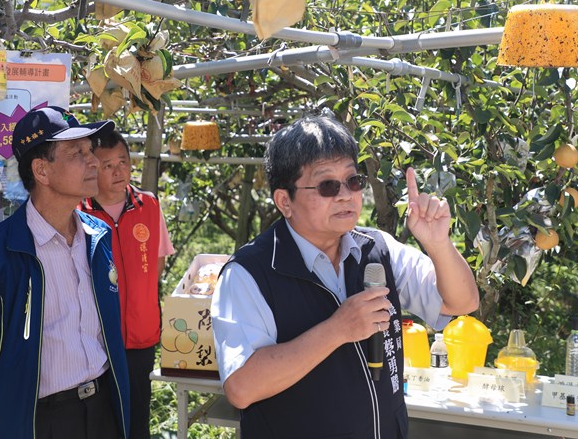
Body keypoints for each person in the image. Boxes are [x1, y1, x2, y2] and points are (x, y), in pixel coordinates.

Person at [211, 114, 480, 438]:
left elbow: (461, 302)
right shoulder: (248, 274)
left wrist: (438, 244)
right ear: (285, 201)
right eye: (327, 185)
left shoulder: (378, 250)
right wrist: (338, 329)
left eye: (353, 181)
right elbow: (241, 387)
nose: (345, 195)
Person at [0, 106, 130, 439]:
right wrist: (0, 412)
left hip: (103, 411)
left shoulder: (98, 237)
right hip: (37, 421)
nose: (94, 161)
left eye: (90, 150)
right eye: (77, 153)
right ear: (42, 170)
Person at [80, 130, 175, 439]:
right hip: (97, 337)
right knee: (100, 418)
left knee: (137, 417)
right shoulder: (79, 213)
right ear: (93, 168)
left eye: (123, 161)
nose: (119, 171)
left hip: (141, 334)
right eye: (108, 165)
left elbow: (157, 264)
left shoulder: (148, 206)